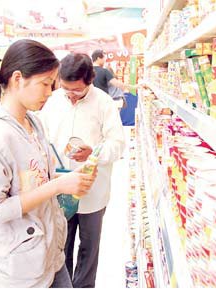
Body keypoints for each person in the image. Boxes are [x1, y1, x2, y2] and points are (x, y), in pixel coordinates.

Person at [0, 39, 96, 288]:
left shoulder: (34, 122)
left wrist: (70, 180)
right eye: (45, 84)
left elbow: (37, 179)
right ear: (18, 79)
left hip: (51, 255)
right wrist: (57, 186)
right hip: (21, 269)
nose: (50, 92)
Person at [39, 53, 125, 288]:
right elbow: (41, 137)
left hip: (92, 191)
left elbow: (118, 144)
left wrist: (93, 152)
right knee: (60, 245)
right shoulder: (53, 100)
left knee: (89, 247)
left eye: (76, 90)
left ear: (90, 80)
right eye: (66, 89)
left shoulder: (104, 103)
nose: (71, 95)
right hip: (59, 187)